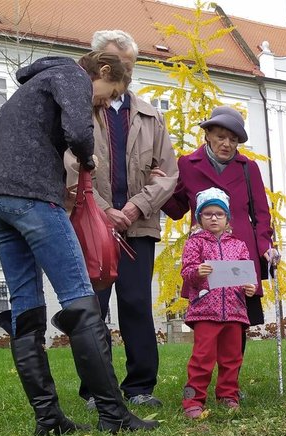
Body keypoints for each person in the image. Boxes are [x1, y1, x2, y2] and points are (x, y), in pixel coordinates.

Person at [0, 52, 157, 433]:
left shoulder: (32, 87)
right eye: (110, 93)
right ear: (103, 72)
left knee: (25, 305)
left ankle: (49, 418)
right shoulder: (71, 76)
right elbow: (78, 130)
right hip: (33, 196)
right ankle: (113, 414)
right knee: (79, 297)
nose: (106, 102)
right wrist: (87, 159)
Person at [70, 30, 178, 411]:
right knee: (91, 307)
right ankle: (95, 391)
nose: (125, 73)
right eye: (118, 64)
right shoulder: (81, 106)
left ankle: (140, 388)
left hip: (139, 226)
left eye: (130, 66)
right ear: (98, 61)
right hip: (90, 222)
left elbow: (167, 174)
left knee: (136, 304)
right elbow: (70, 164)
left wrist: (132, 208)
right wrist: (103, 209)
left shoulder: (150, 114)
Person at [164, 105, 278, 361]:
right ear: (207, 135)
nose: (227, 144)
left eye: (233, 139)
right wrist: (159, 187)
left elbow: (261, 215)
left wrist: (265, 248)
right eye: (220, 137)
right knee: (206, 319)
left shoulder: (248, 168)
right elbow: (176, 208)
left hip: (240, 251)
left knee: (238, 320)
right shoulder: (188, 164)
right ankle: (202, 377)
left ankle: (231, 382)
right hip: (204, 253)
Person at [179, 188, 257, 419]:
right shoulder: (195, 243)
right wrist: (197, 271)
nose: (214, 218)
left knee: (232, 358)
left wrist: (249, 287)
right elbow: (186, 271)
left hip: (234, 310)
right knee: (202, 358)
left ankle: (228, 395)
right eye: (208, 214)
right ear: (200, 217)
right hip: (205, 310)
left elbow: (245, 274)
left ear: (227, 218)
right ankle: (193, 399)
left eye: (219, 214)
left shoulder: (239, 245)